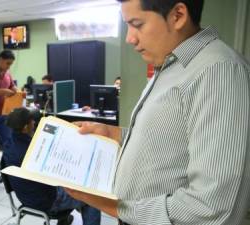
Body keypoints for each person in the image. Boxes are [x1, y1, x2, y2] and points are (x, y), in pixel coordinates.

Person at [65, 1, 250, 225]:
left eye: (137, 24)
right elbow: (169, 142)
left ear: (178, 15)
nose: (129, 38)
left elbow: (212, 205)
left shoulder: (218, 71)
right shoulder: (171, 64)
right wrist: (114, 134)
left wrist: (111, 205)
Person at [4, 108, 101, 225]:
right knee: (93, 198)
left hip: (25, 196)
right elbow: (57, 172)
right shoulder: (31, 151)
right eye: (31, 121)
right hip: (47, 201)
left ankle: (64, 220)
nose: (34, 123)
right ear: (25, 127)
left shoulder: (9, 144)